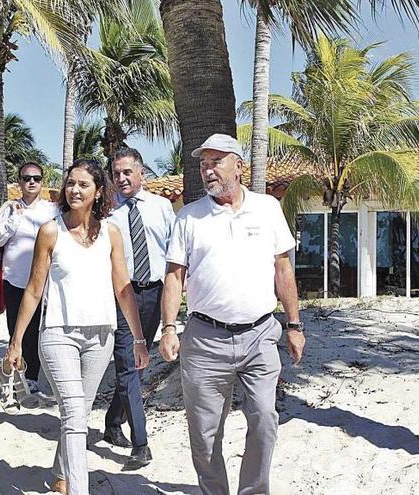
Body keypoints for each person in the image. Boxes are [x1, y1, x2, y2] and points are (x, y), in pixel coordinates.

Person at [159, 134, 306, 495]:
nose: (207, 170)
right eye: (203, 164)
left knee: (265, 420)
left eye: (215, 162)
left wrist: (294, 324)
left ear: (239, 165)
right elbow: (175, 277)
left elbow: (283, 269)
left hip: (260, 335)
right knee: (205, 433)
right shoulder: (189, 216)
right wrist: (168, 328)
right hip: (205, 339)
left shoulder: (268, 208)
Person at [6, 159, 150, 495]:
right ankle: (77, 489)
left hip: (100, 335)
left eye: (83, 184)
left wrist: (140, 339)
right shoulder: (51, 230)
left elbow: (123, 288)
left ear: (99, 191)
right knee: (73, 411)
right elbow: (33, 288)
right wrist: (16, 342)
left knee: (78, 414)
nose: (74, 189)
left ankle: (60, 475)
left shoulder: (111, 233)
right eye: (70, 183)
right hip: (58, 334)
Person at [102, 147, 175, 470]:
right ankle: (140, 444)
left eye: (127, 172)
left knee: (138, 363)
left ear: (141, 172)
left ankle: (112, 421)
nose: (121, 179)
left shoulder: (162, 208)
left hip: (155, 294)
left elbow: (174, 253)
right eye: (116, 174)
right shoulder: (105, 214)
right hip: (121, 295)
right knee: (129, 364)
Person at [0, 162, 61, 399]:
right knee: (16, 330)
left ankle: (31, 377)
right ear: (19, 181)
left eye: (36, 178)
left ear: (42, 181)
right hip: (15, 279)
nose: (31, 182)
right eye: (26, 178)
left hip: (43, 281)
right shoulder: (8, 209)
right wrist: (14, 219)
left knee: (37, 331)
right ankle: (14, 375)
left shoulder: (53, 210)